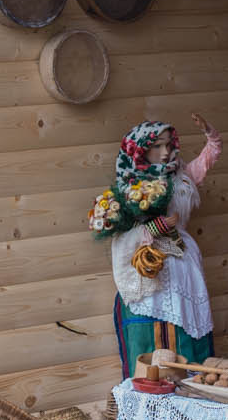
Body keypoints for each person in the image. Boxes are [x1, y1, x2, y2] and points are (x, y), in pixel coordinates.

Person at [92, 116, 221, 373]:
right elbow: (122, 235)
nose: (165, 153)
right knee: (150, 330)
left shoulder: (181, 177)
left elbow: (206, 161)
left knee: (184, 327)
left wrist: (212, 136)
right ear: (141, 149)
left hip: (183, 264)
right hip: (149, 267)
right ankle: (151, 388)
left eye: (169, 146)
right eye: (157, 146)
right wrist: (154, 227)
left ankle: (192, 388)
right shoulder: (129, 185)